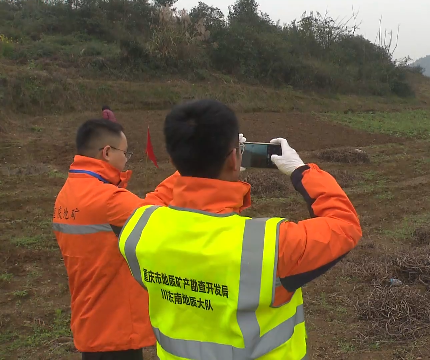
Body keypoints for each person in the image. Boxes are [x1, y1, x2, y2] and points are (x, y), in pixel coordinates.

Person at [117, 99, 362, 360]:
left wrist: (202, 165)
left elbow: (158, 200)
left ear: (173, 159)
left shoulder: (139, 229)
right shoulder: (270, 246)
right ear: (235, 158)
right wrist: (301, 171)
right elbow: (344, 224)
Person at [52, 119, 180, 360]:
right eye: (125, 152)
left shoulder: (68, 192)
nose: (127, 159)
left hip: (90, 321)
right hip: (115, 329)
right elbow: (154, 212)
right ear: (107, 152)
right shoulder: (107, 199)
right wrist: (191, 170)